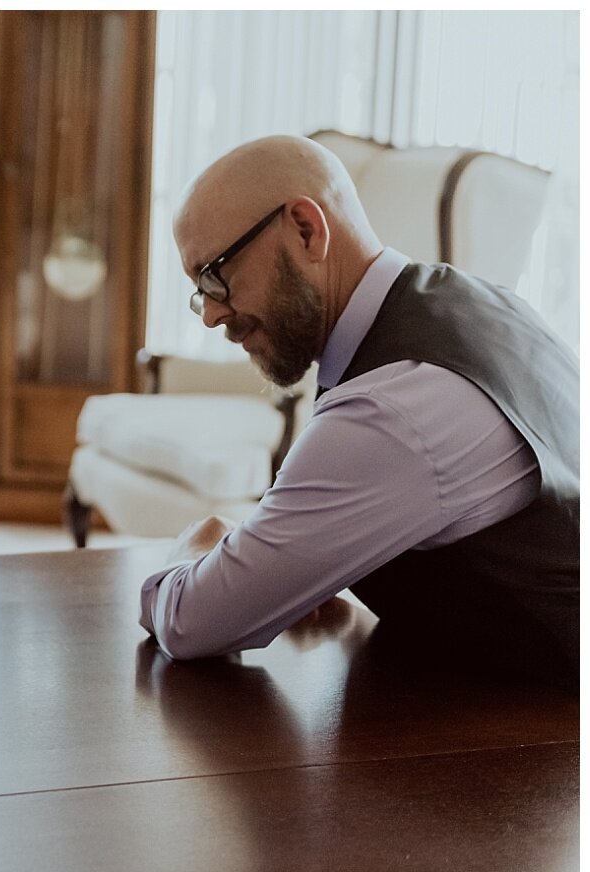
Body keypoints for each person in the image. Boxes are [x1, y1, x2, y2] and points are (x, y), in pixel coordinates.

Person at [139, 134, 578, 686]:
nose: (210, 315)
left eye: (214, 276)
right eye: (199, 291)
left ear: (306, 228)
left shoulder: (391, 408)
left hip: (535, 744)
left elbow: (192, 622)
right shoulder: (493, 306)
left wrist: (192, 547)